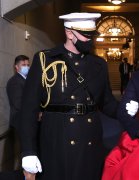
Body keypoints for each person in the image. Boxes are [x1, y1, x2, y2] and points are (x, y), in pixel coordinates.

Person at [18, 12, 120, 180]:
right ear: (69, 33)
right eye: (85, 35)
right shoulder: (45, 59)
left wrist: (129, 110)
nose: (90, 40)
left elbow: (107, 103)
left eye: (92, 35)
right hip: (57, 137)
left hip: (90, 139)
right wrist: (28, 151)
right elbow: (29, 109)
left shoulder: (99, 64)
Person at [6, 55, 30, 170]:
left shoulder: (26, 80)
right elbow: (18, 104)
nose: (26, 67)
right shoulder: (15, 82)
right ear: (16, 67)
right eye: (23, 65)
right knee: (24, 153)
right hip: (20, 122)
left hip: (26, 122)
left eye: (28, 65)